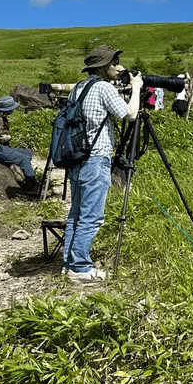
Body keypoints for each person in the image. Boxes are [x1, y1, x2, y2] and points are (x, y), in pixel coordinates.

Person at [62, 45, 142, 283]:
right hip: (96, 158)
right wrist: (136, 89)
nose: (118, 67)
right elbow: (129, 114)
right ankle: (80, 267)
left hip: (76, 158)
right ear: (104, 66)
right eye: (115, 62)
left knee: (76, 213)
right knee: (92, 216)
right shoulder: (104, 87)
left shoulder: (78, 88)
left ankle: (69, 263)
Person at [0, 96, 38, 193]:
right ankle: (32, 185)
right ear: (8, 109)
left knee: (27, 153)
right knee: (24, 158)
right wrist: (9, 137)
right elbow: (2, 137)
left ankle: (16, 168)